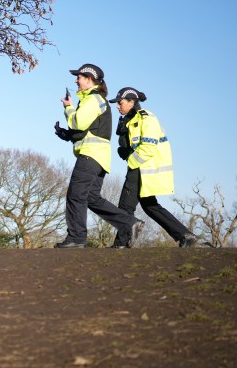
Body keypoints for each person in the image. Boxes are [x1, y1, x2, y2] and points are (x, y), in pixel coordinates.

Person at [53, 63, 138, 248]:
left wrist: (68, 108)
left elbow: (79, 123)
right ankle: (129, 223)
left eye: (79, 77)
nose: (76, 80)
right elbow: (85, 131)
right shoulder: (97, 100)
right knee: (91, 198)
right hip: (100, 158)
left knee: (75, 195)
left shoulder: (93, 99)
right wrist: (66, 135)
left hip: (90, 156)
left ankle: (76, 238)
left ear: (89, 79)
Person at [109, 87, 199, 248]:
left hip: (141, 168)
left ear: (131, 102)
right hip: (140, 168)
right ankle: (185, 235)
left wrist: (131, 160)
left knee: (125, 207)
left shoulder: (147, 118)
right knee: (150, 206)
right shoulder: (130, 119)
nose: (117, 106)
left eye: (120, 103)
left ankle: (121, 244)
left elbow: (149, 147)